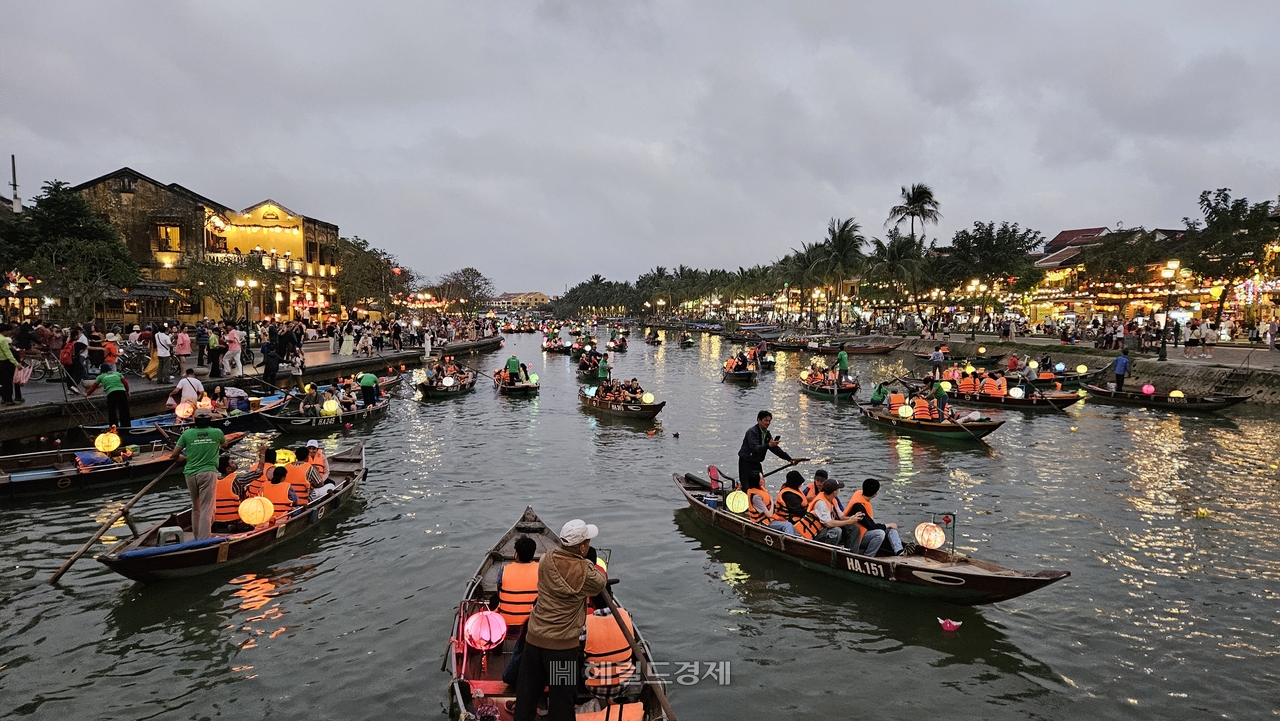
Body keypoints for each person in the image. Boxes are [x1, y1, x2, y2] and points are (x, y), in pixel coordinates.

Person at [513, 519, 607, 721]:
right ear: (582, 547)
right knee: (561, 701)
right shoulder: (586, 574)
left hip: (534, 641)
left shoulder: (546, 560)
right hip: (561, 650)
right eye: (588, 542)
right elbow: (600, 582)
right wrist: (587, 563)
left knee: (526, 697)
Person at [171, 408, 228, 540]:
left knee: (196, 507)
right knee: (206, 508)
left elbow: (174, 454)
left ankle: (197, 536)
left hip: (190, 474)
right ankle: (203, 539)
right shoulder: (216, 433)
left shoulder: (187, 434)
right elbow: (225, 444)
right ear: (209, 419)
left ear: (195, 420)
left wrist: (181, 459)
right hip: (207, 473)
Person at [842, 478, 903, 556]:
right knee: (879, 533)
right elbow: (871, 526)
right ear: (875, 494)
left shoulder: (859, 494)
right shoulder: (858, 507)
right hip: (857, 538)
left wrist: (889, 526)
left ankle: (899, 551)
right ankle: (868, 556)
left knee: (892, 529)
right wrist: (888, 525)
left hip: (866, 531)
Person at [737, 410, 796, 490]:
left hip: (756, 462)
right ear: (758, 420)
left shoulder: (766, 434)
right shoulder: (752, 432)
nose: (767, 423)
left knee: (760, 484)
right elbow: (755, 448)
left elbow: (775, 449)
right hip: (746, 462)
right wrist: (768, 445)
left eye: (769, 421)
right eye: (765, 420)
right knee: (746, 486)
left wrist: (789, 459)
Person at [495, 535, 539, 628]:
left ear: (516, 554)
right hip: (533, 624)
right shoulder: (541, 569)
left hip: (506, 624)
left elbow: (499, 593)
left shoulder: (504, 570)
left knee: (494, 600)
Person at [809, 478, 864, 545]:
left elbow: (841, 517)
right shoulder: (821, 503)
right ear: (834, 492)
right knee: (836, 531)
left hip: (828, 529)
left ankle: (851, 553)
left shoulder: (833, 500)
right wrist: (848, 521)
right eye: (838, 489)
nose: (839, 491)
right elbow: (829, 523)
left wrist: (853, 518)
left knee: (854, 527)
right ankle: (828, 552)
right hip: (817, 534)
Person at [0, 323, 21, 406]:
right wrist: (16, 364)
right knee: (7, 382)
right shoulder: (3, 340)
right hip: (5, 362)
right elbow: (8, 353)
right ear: (4, 331)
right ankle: (8, 399)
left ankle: (4, 398)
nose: (9, 333)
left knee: (2, 381)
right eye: (8, 331)